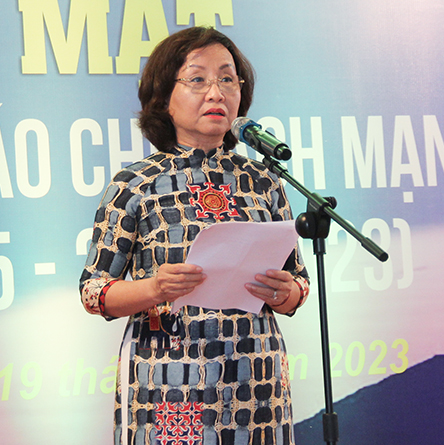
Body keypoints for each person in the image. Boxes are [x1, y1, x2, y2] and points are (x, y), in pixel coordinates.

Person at [79, 26, 309, 445]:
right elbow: (94, 292)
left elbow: (298, 283)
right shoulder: (135, 184)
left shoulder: (264, 181)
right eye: (198, 79)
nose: (216, 93)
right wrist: (154, 288)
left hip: (257, 383)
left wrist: (284, 292)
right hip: (169, 386)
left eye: (228, 79)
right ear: (164, 96)